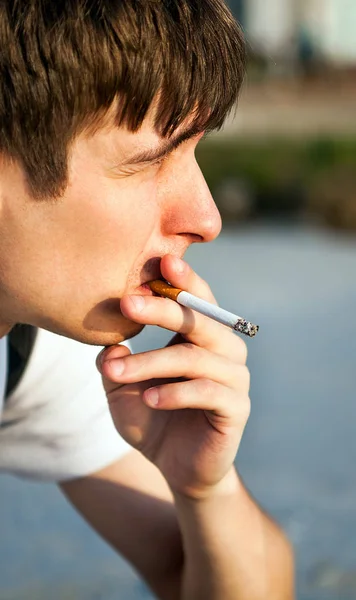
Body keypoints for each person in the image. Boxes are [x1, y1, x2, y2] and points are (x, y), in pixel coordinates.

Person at [0, 1, 294, 598]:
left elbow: (215, 578)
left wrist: (206, 491)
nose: (207, 218)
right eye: (150, 161)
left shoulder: (30, 348)